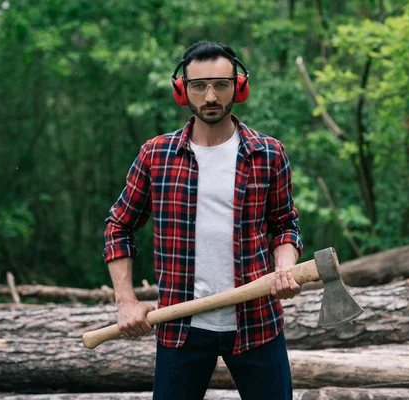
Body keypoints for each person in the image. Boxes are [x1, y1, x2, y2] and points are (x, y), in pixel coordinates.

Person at [102, 40, 303, 400]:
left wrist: (284, 267)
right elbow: (119, 226)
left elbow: (285, 224)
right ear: (183, 90)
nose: (210, 96)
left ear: (238, 87)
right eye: (199, 86)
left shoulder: (268, 153)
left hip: (257, 325)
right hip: (180, 327)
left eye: (221, 85)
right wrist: (125, 301)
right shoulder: (156, 155)